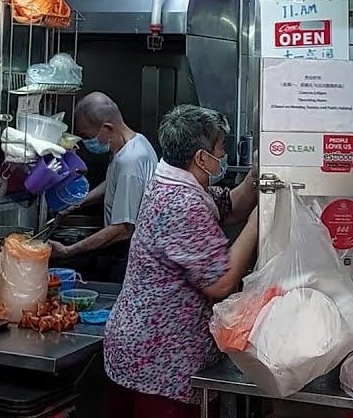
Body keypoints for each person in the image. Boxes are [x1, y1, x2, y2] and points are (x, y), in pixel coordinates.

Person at [104, 105, 260, 418]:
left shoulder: (176, 181)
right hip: (159, 359)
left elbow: (230, 206)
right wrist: (263, 216)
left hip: (147, 347)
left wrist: (257, 177)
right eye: (220, 148)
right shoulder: (180, 202)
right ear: (202, 158)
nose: (224, 154)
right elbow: (220, 282)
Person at [48, 93, 157, 280]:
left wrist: (68, 250)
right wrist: (77, 203)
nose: (86, 142)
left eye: (87, 136)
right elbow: (114, 183)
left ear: (107, 128)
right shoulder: (136, 143)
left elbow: (123, 229)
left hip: (128, 255)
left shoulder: (130, 161)